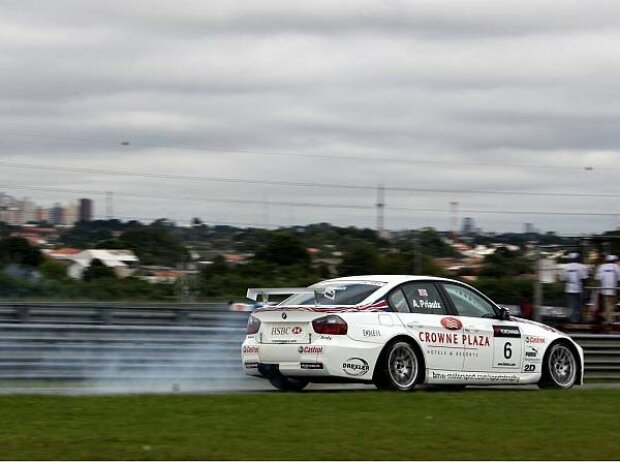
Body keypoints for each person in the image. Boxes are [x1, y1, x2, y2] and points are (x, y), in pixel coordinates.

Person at [562, 253, 589, 324]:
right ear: (577, 258)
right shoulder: (582, 266)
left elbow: (564, 279)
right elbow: (584, 279)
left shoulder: (566, 267)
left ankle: (572, 320)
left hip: (569, 289)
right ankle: (580, 319)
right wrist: (585, 289)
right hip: (579, 288)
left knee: (571, 305)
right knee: (580, 305)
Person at [596, 255, 620, 332]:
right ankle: (609, 321)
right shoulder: (616, 267)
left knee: (607, 305)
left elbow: (598, 278)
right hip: (613, 289)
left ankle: (608, 320)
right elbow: (619, 278)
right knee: (611, 306)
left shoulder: (602, 267)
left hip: (604, 289)